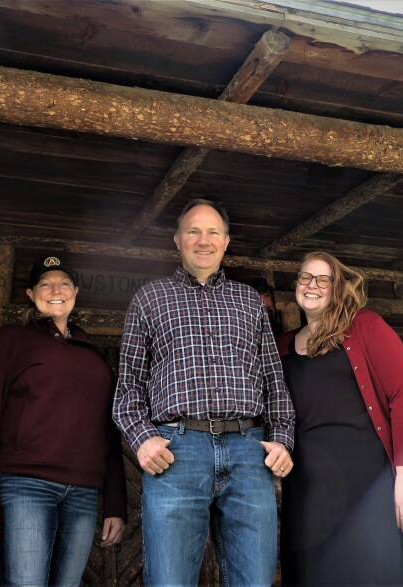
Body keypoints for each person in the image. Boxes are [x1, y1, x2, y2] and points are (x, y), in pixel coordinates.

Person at [113, 199, 295, 586]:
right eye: (193, 230)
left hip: (250, 451)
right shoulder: (150, 298)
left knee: (256, 580)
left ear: (226, 242)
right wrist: (143, 441)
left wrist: (281, 439)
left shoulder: (249, 301)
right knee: (169, 580)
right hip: (176, 452)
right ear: (177, 240)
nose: (203, 240)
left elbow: (274, 381)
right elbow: (127, 386)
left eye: (213, 232)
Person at [276, 251, 403, 585]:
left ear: (337, 289)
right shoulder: (282, 346)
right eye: (305, 277)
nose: (312, 285)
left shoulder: (365, 326)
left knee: (372, 573)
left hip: (368, 482)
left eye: (323, 279)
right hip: (309, 488)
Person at [0, 255, 127, 587]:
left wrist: (115, 504)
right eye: (45, 284)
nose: (56, 290)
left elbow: (107, 436)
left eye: (64, 283)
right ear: (30, 293)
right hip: (25, 486)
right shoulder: (9, 340)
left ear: (75, 292)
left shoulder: (93, 355)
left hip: (83, 493)